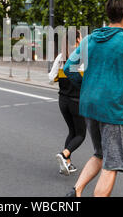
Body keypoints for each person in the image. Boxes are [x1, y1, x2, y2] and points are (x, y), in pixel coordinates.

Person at [63, 0, 123, 197]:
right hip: (113, 109)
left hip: (88, 106)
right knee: (112, 164)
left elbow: (69, 69)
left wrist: (86, 84)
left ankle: (75, 192)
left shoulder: (89, 39)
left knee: (100, 154)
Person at [48, 30, 86, 176]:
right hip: (76, 101)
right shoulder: (83, 58)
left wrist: (61, 76)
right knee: (81, 134)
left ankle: (67, 164)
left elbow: (51, 78)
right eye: (81, 38)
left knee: (72, 131)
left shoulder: (61, 58)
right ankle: (64, 154)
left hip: (62, 100)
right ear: (76, 41)